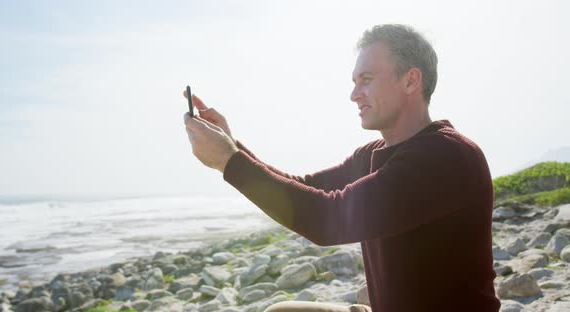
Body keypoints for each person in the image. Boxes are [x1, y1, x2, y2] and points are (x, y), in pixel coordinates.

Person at [183, 24, 500, 312]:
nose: (353, 95)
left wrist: (228, 161)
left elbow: (327, 218)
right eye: (354, 82)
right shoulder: (373, 154)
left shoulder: (446, 156)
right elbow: (308, 185)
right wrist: (233, 147)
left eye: (366, 80)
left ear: (411, 80)